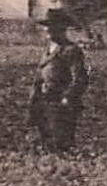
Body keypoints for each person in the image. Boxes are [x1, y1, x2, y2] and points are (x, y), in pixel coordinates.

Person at [27, 8, 88, 153]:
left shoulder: (71, 50)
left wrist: (67, 98)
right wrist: (33, 99)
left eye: (52, 26)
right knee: (45, 142)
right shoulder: (49, 50)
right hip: (44, 101)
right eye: (47, 26)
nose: (47, 30)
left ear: (61, 28)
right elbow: (40, 76)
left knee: (60, 143)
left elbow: (80, 79)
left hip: (60, 105)